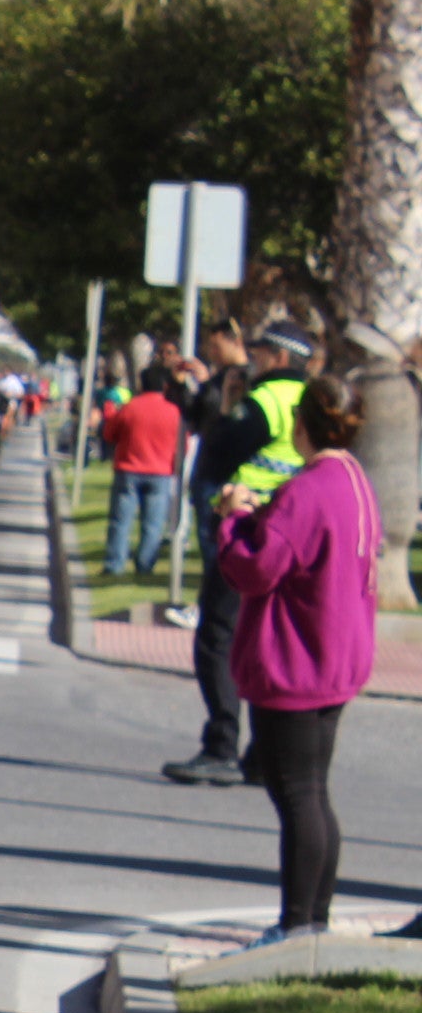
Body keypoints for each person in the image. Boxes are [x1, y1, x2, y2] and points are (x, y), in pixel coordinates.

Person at [214, 373, 378, 941]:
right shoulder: (355, 479)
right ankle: (314, 920)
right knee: (313, 791)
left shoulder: (307, 488)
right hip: (336, 656)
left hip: (296, 659)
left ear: (300, 424)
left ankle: (297, 926)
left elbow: (255, 568)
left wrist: (233, 518)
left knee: (297, 795)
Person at [168, 322, 312, 786]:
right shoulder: (310, 400)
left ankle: (221, 746)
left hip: (248, 528)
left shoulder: (268, 399)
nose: (254, 358)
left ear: (281, 358)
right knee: (263, 641)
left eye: (262, 351)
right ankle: (261, 755)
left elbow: (221, 446)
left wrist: (227, 410)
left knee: (217, 635)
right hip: (292, 533)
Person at [101, 371, 184, 577]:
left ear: (141, 385)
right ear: (164, 387)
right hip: (161, 473)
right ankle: (145, 566)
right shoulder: (174, 412)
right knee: (153, 524)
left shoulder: (130, 407)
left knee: (120, 521)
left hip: (128, 470)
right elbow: (183, 445)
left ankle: (115, 564)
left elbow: (109, 433)